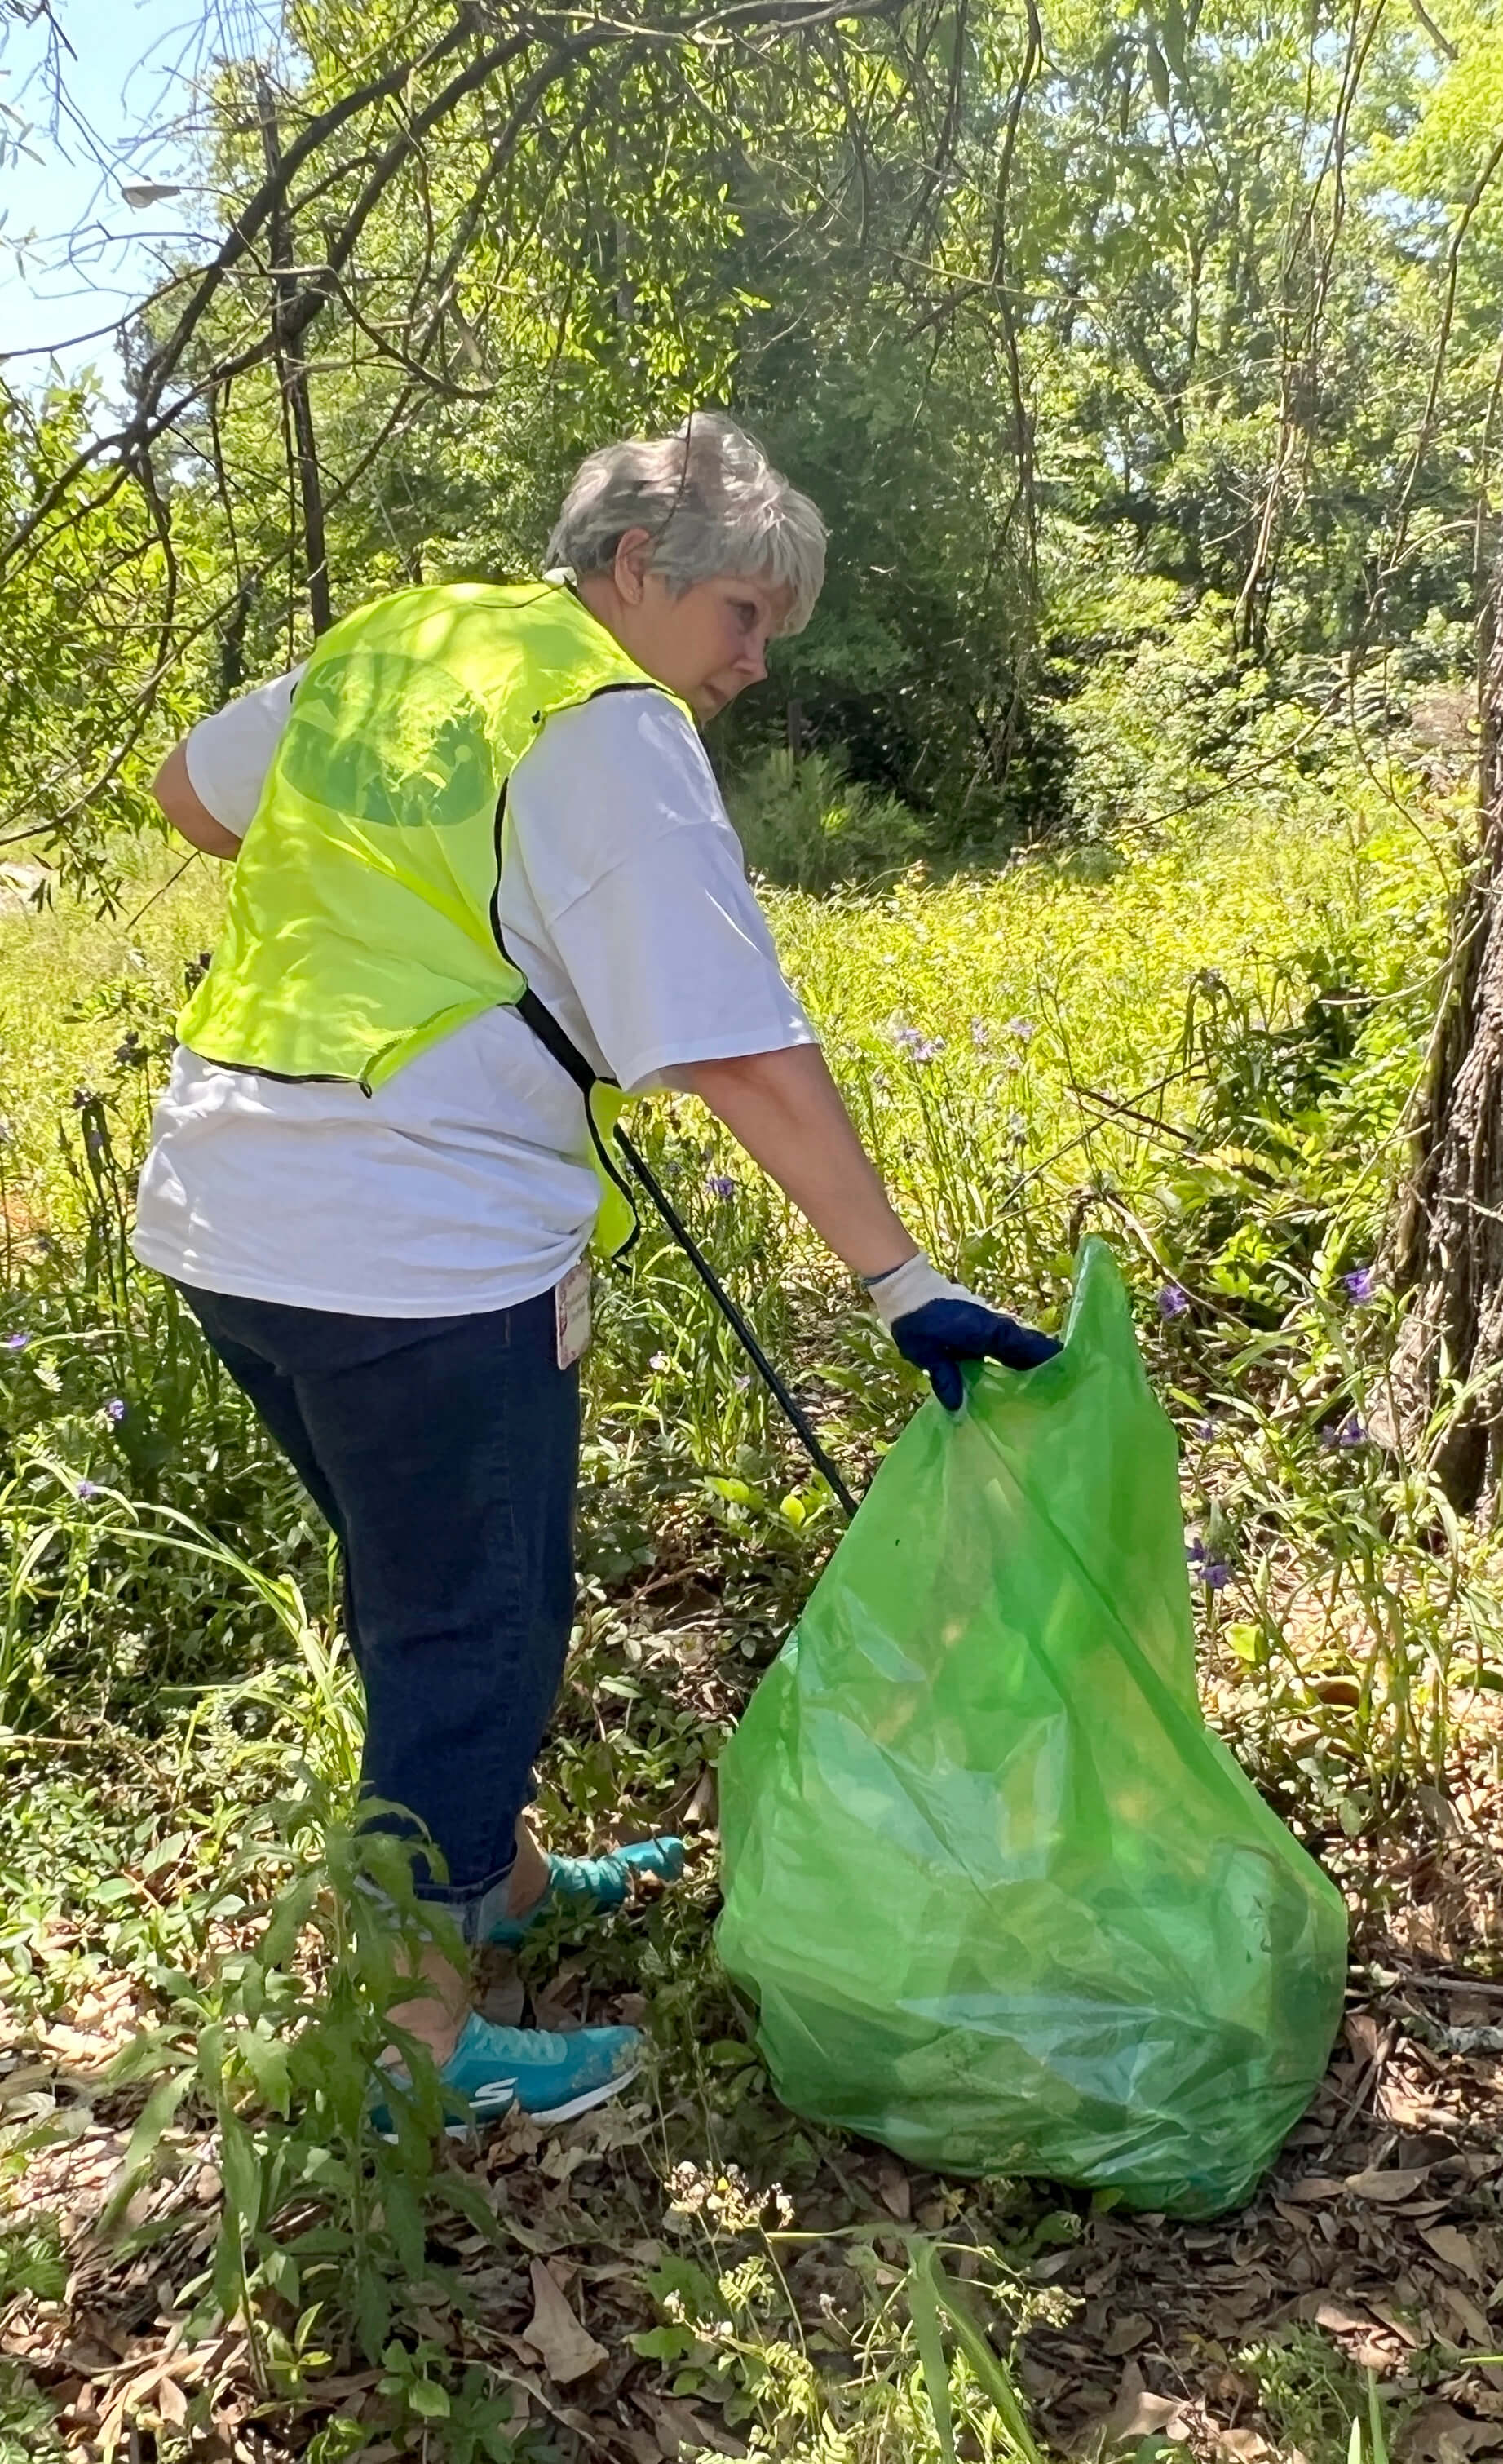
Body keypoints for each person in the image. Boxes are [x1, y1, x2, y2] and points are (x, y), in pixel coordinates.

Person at [135, 413, 1059, 2129]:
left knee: (426, 1586)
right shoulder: (609, 722)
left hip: (226, 1214)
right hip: (416, 1252)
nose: (757, 660)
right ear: (638, 568)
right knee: (477, 1630)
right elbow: (740, 1049)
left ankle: (491, 1882)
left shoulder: (408, 642)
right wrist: (900, 1280)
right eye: (743, 614)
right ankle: (408, 2049)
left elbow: (193, 796)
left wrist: (424, 904)